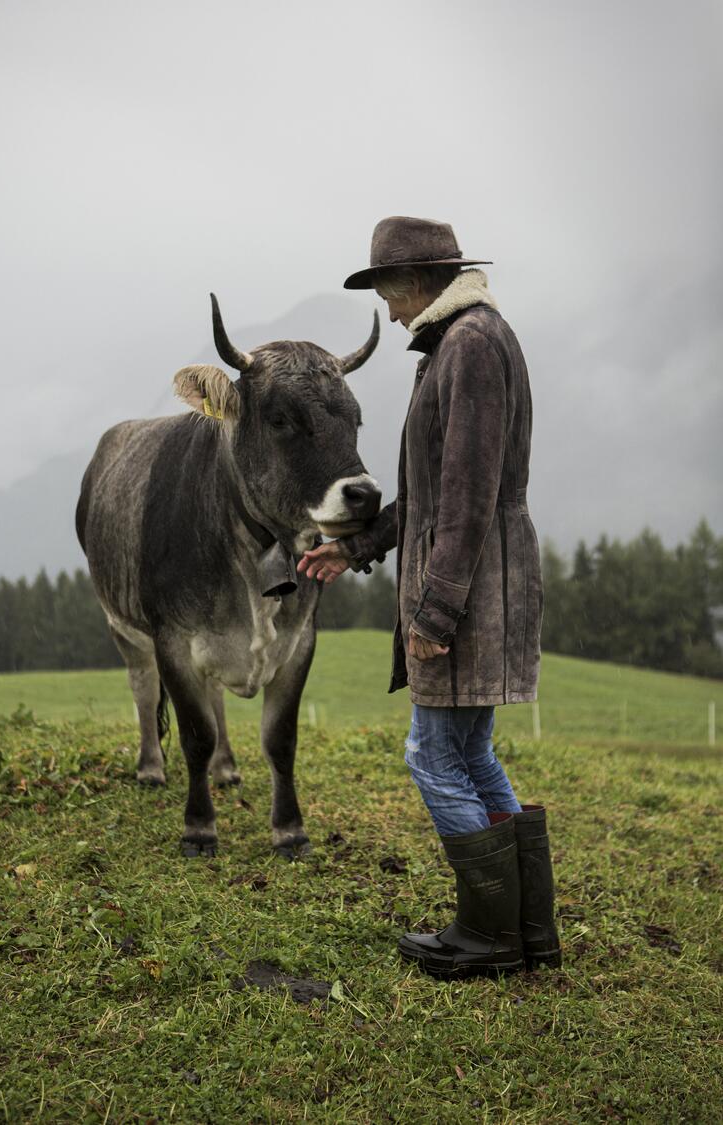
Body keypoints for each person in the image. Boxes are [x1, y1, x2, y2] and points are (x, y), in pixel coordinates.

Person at [297, 216, 560, 977]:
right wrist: (355, 548)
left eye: (387, 291)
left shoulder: (470, 347)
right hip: (475, 574)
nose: (386, 309)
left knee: (431, 755)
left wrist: (435, 613)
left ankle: (488, 935)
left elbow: (469, 497)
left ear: (418, 282)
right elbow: (425, 494)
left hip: (467, 584)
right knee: (468, 749)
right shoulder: (458, 343)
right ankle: (524, 928)